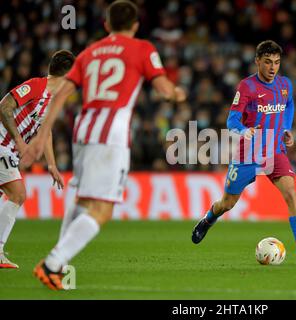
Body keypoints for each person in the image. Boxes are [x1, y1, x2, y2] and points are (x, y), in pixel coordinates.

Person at [21, 0, 186, 290]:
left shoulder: (89, 53)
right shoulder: (143, 49)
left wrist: (39, 135)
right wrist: (176, 93)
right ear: (135, 25)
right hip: (111, 136)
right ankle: (52, 263)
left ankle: (58, 266)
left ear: (107, 25)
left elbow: (59, 97)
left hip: (82, 131)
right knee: (103, 210)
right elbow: (162, 89)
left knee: (84, 201)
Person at [191, 40, 296, 265]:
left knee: (290, 192)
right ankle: (208, 219)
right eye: (268, 62)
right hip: (248, 153)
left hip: (275, 151)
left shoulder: (285, 85)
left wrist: (286, 128)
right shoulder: (246, 87)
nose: (272, 67)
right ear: (257, 61)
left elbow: (289, 105)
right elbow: (232, 119)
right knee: (227, 203)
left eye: (277, 62)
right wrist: (244, 130)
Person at [0, 50, 72, 269]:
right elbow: (4, 106)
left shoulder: (52, 100)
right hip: (2, 145)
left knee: (12, 194)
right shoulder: (36, 86)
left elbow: (45, 131)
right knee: (17, 193)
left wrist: (51, 164)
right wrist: (20, 142)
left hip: (8, 150)